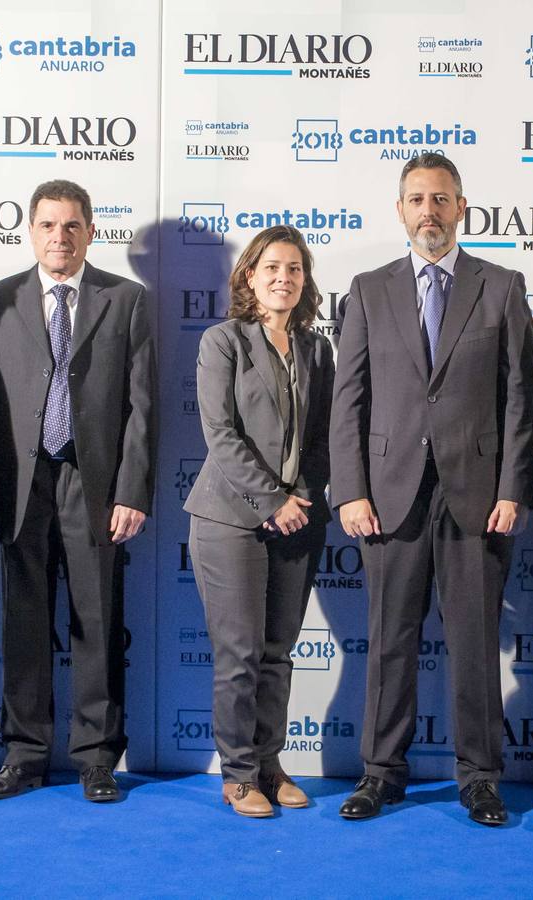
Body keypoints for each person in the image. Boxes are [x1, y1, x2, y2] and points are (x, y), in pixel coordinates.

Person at [329, 152, 533, 826]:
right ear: (400, 211)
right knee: (389, 641)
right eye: (417, 199)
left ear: (461, 208)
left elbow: (518, 398)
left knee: (474, 643)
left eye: (441, 199)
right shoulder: (367, 289)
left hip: (477, 497)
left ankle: (479, 777)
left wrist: (513, 486)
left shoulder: (501, 286)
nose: (429, 211)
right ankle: (381, 774)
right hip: (388, 496)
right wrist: (350, 490)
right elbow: (348, 400)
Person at [0, 179, 155, 803]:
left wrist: (132, 490)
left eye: (72, 225)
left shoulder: (126, 300)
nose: (60, 236)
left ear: (90, 231)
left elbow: (143, 407)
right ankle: (24, 755)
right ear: (30, 231)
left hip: (94, 482)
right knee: (23, 622)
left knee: (97, 620)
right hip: (23, 485)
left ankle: (97, 757)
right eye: (48, 225)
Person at [184, 225, 335, 817]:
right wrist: (273, 501)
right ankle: (238, 774)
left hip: (298, 516)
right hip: (230, 519)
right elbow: (220, 434)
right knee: (240, 653)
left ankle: (270, 765)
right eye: (271, 268)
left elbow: (321, 437)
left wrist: (299, 496)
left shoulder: (317, 348)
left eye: (294, 269)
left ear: (306, 279)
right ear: (250, 275)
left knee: (278, 651)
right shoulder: (223, 341)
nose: (283, 278)